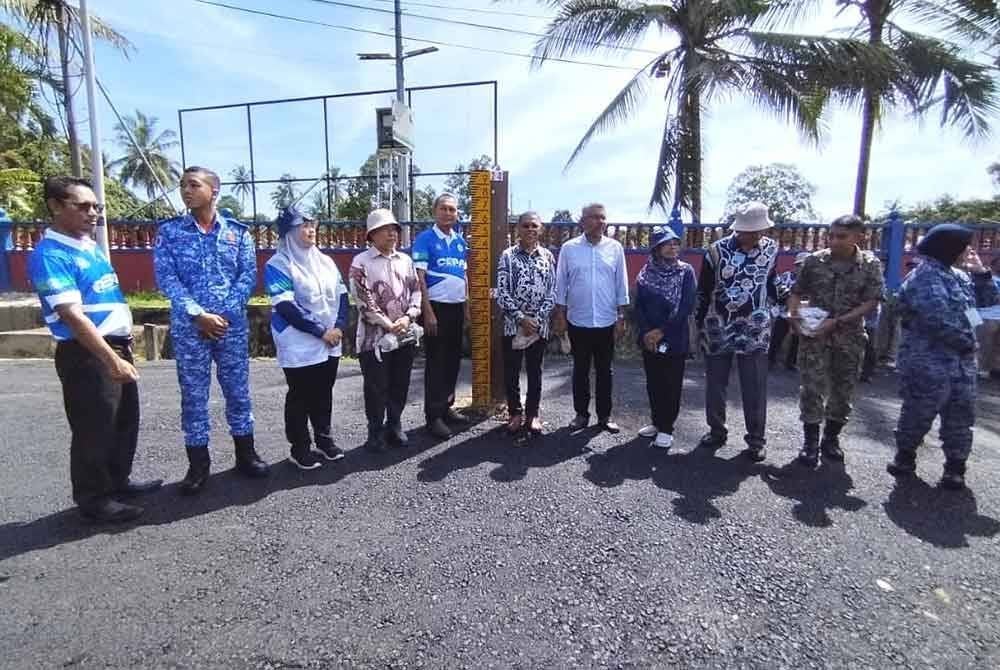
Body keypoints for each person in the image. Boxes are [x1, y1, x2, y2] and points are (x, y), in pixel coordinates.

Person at [29, 177, 161, 522]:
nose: (93, 213)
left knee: (124, 420)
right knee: (95, 425)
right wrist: (110, 358)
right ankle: (94, 498)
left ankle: (118, 481)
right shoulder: (50, 255)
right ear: (56, 206)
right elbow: (71, 316)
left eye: (95, 207)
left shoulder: (88, 246)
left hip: (115, 346)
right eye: (83, 206)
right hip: (87, 353)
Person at [153, 166, 268, 495]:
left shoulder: (238, 233)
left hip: (229, 328)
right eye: (182, 185)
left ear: (213, 190)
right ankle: (198, 466)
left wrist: (224, 315)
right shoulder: (170, 233)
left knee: (238, 392)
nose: (186, 190)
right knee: (193, 398)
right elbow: (167, 279)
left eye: (194, 184)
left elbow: (247, 276)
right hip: (191, 330)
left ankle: (246, 455)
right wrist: (198, 314)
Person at [887, 225, 999, 490]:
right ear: (948, 247)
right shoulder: (924, 277)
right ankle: (905, 457)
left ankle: (955, 467)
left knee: (961, 417)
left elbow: (987, 301)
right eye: (964, 246)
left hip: (961, 363)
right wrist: (967, 342)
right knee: (918, 412)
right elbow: (937, 320)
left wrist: (982, 274)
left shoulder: (958, 276)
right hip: (928, 362)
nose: (968, 251)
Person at [788, 215, 883, 468]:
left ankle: (831, 439)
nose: (833, 240)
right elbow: (796, 292)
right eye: (831, 235)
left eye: (841, 236)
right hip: (815, 334)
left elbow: (872, 301)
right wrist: (794, 317)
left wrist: (839, 321)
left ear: (859, 237)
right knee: (811, 388)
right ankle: (810, 443)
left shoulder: (870, 264)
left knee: (843, 390)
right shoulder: (814, 261)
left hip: (849, 337)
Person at [264, 207, 349, 470]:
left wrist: (338, 327)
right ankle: (300, 447)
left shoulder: (325, 262)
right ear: (289, 232)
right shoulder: (278, 264)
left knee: (324, 392)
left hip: (330, 339)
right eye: (303, 225)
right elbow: (286, 306)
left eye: (312, 225)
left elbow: (343, 297)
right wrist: (320, 331)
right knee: (301, 395)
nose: (310, 230)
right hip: (299, 341)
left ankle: (324, 439)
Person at [695, 201, 779, 462]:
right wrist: (699, 326)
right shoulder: (715, 252)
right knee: (716, 383)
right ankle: (716, 431)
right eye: (748, 231)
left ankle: (756, 440)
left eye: (758, 231)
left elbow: (771, 285)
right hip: (718, 326)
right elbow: (703, 290)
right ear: (737, 229)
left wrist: (772, 313)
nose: (753, 235)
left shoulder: (771, 250)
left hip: (755, 328)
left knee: (754, 385)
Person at [350, 209, 423, 453]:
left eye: (394, 229)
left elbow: (416, 290)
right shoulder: (361, 262)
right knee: (376, 385)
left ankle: (395, 424)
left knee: (400, 382)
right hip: (374, 339)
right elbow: (363, 300)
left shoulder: (405, 260)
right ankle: (375, 431)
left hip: (404, 334)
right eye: (385, 229)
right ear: (372, 234)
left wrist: (408, 316)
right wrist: (387, 324)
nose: (392, 233)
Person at [552, 203, 629, 433]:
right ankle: (581, 414)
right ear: (582, 221)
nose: (600, 222)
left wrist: (621, 315)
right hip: (578, 320)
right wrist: (560, 315)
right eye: (594, 217)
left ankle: (604, 416)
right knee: (580, 370)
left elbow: (621, 283)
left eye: (603, 217)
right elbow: (561, 282)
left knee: (605, 371)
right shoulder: (569, 248)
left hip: (606, 321)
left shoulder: (615, 248)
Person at [495, 211, 557, 442]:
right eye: (526, 225)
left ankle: (533, 414)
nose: (530, 229)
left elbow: (552, 291)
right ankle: (514, 413)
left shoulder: (548, 256)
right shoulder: (508, 256)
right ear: (518, 229)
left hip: (539, 326)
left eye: (534, 226)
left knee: (535, 371)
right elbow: (502, 292)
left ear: (540, 229)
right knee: (511, 371)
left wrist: (537, 319)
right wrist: (521, 318)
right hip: (513, 325)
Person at [634, 227, 697, 449]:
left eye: (675, 243)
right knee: (654, 382)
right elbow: (639, 305)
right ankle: (656, 422)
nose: (673, 247)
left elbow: (686, 306)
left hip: (674, 337)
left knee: (671, 384)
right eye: (667, 243)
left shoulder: (685, 272)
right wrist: (646, 332)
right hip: (649, 340)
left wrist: (661, 330)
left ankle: (667, 428)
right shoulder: (645, 272)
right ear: (656, 248)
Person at [412, 193, 469, 440]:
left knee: (453, 362)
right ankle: (433, 417)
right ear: (435, 211)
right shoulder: (425, 238)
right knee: (436, 363)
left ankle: (446, 407)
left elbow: (464, 277)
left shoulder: (460, 242)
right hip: (436, 308)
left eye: (453, 210)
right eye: (444, 209)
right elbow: (419, 278)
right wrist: (428, 312)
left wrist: (466, 309)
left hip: (457, 308)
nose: (448, 213)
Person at [768, 252, 809, 370]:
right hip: (784, 313)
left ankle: (791, 363)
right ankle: (770, 360)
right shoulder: (786, 276)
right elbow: (779, 293)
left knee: (797, 339)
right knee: (777, 337)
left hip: (800, 314)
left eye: (804, 266)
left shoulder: (810, 282)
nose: (801, 268)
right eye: (800, 266)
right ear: (796, 266)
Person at [975, 255, 1000, 381]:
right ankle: (982, 370)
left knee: (997, 346)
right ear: (994, 263)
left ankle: (996, 368)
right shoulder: (984, 277)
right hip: (986, 316)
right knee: (985, 345)